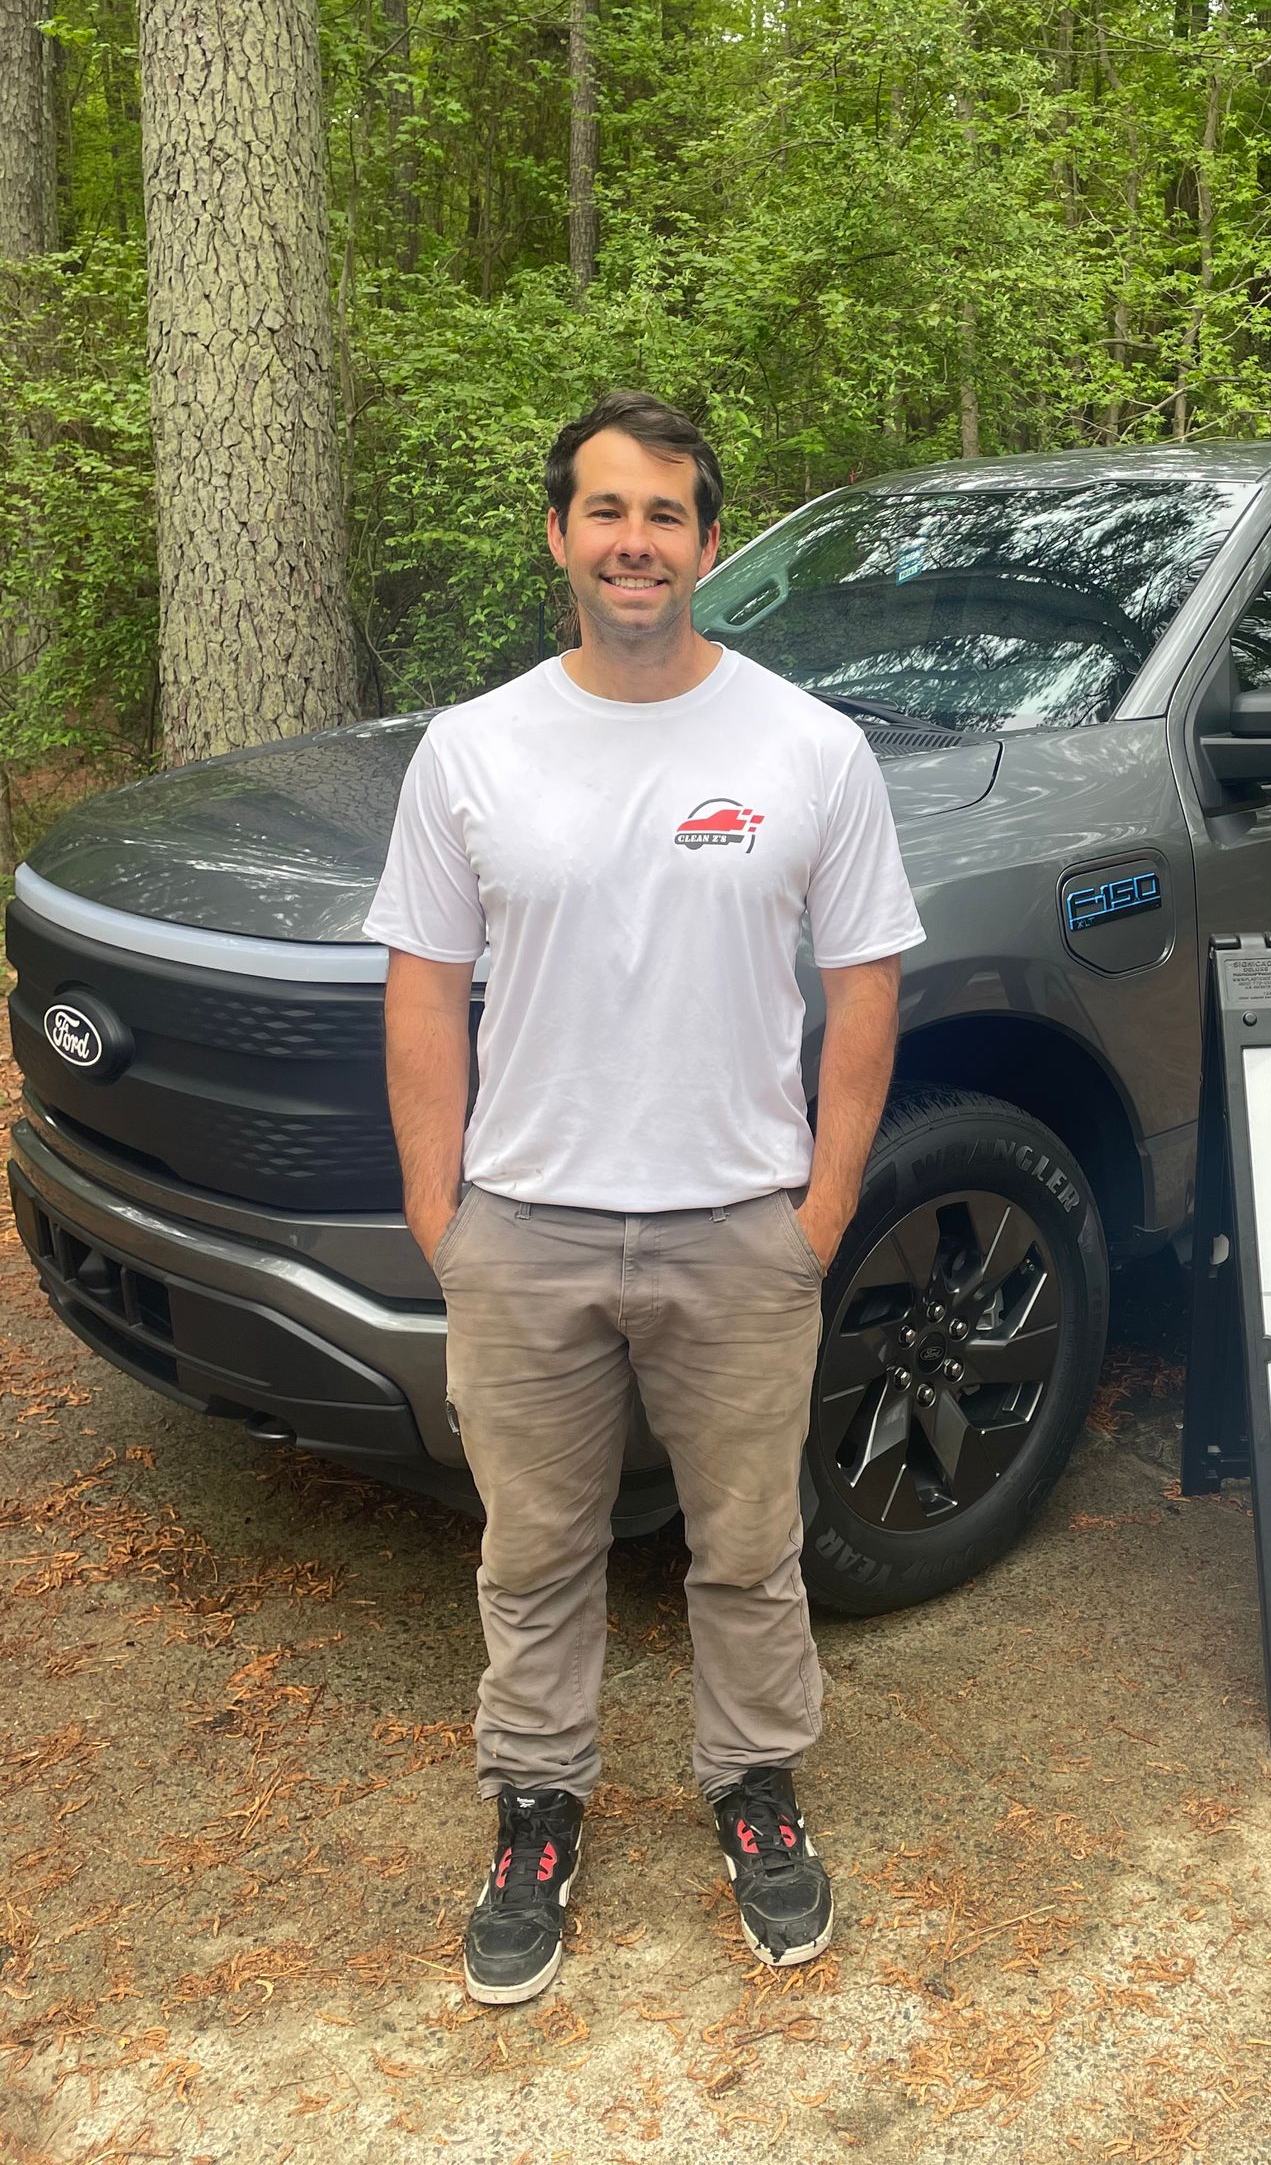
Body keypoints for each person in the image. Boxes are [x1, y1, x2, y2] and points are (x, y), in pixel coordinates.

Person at [364, 390, 923, 2005]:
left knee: (748, 1549)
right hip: (522, 1233)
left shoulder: (808, 747)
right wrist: (441, 1217)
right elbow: (422, 990)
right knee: (532, 1556)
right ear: (559, 536)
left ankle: (756, 1786)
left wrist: (816, 1214)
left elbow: (865, 988)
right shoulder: (472, 750)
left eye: (664, 515)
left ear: (708, 543)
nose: (633, 543)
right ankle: (536, 1806)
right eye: (605, 512)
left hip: (738, 1229)